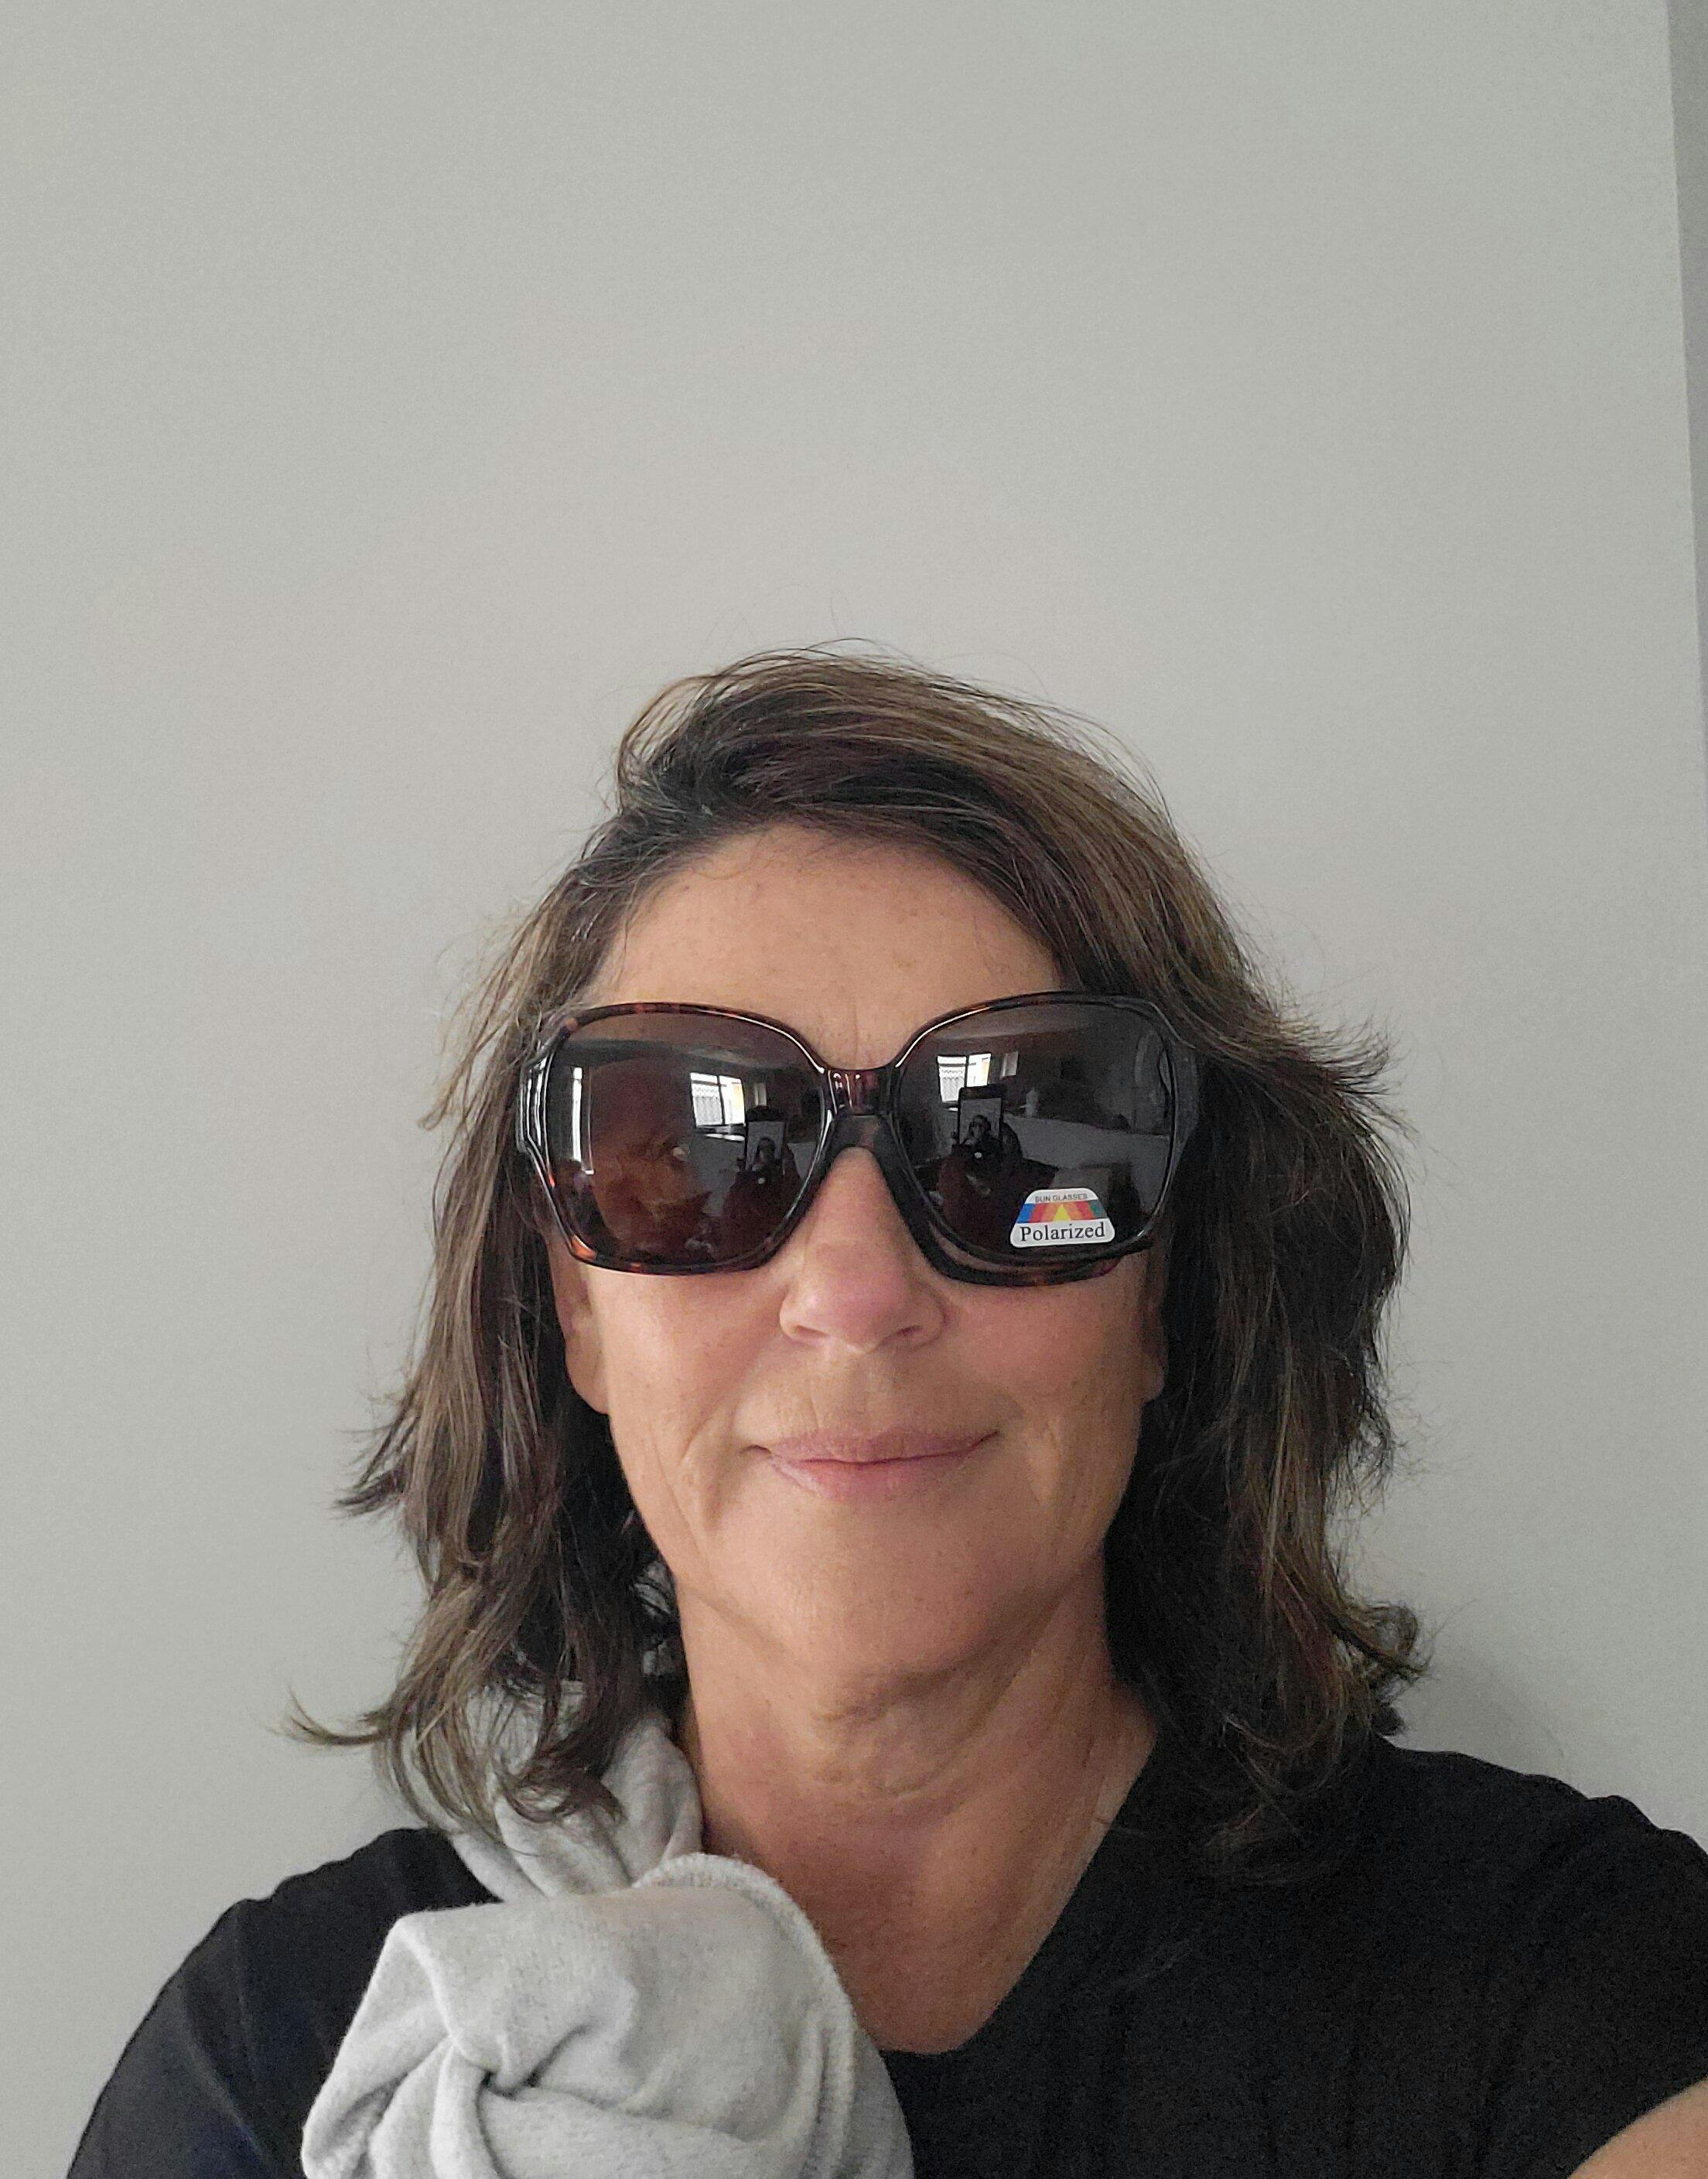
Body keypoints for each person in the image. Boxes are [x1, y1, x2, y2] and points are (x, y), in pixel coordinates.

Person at [70, 649, 1708, 2177]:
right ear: (575, 1307)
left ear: (1165, 1293)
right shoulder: (279, 2057)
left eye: (1026, 1138)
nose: (854, 1291)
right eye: (690, 1150)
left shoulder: (1568, 1990)